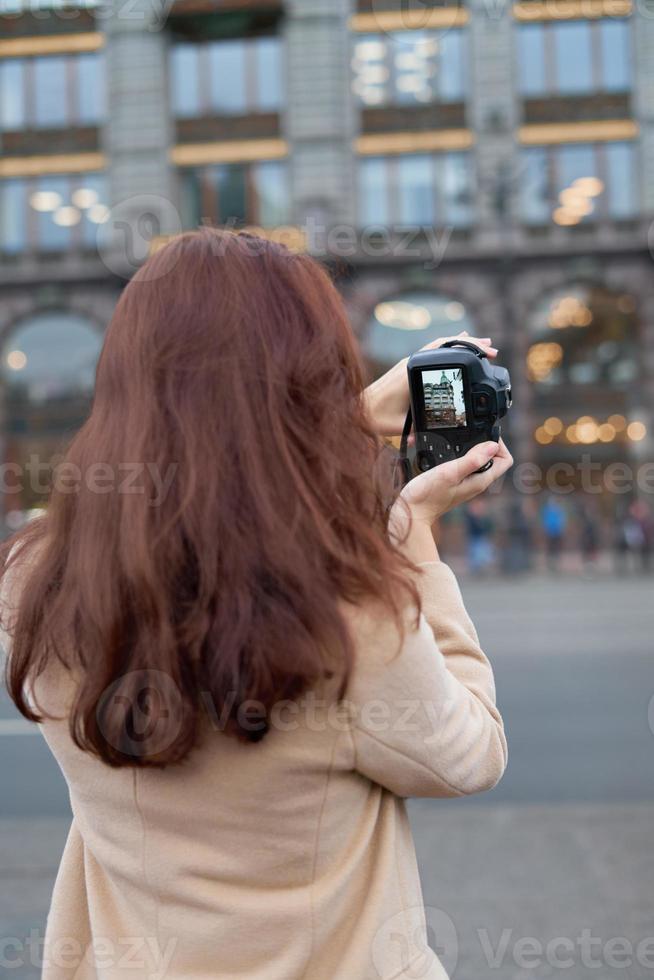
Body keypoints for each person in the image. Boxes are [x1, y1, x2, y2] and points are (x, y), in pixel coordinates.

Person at [1, 229, 512, 980]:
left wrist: (336, 425)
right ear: (310, 377)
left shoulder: (33, 576)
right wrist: (412, 538)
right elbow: (470, 755)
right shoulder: (349, 605)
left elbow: (197, 486)